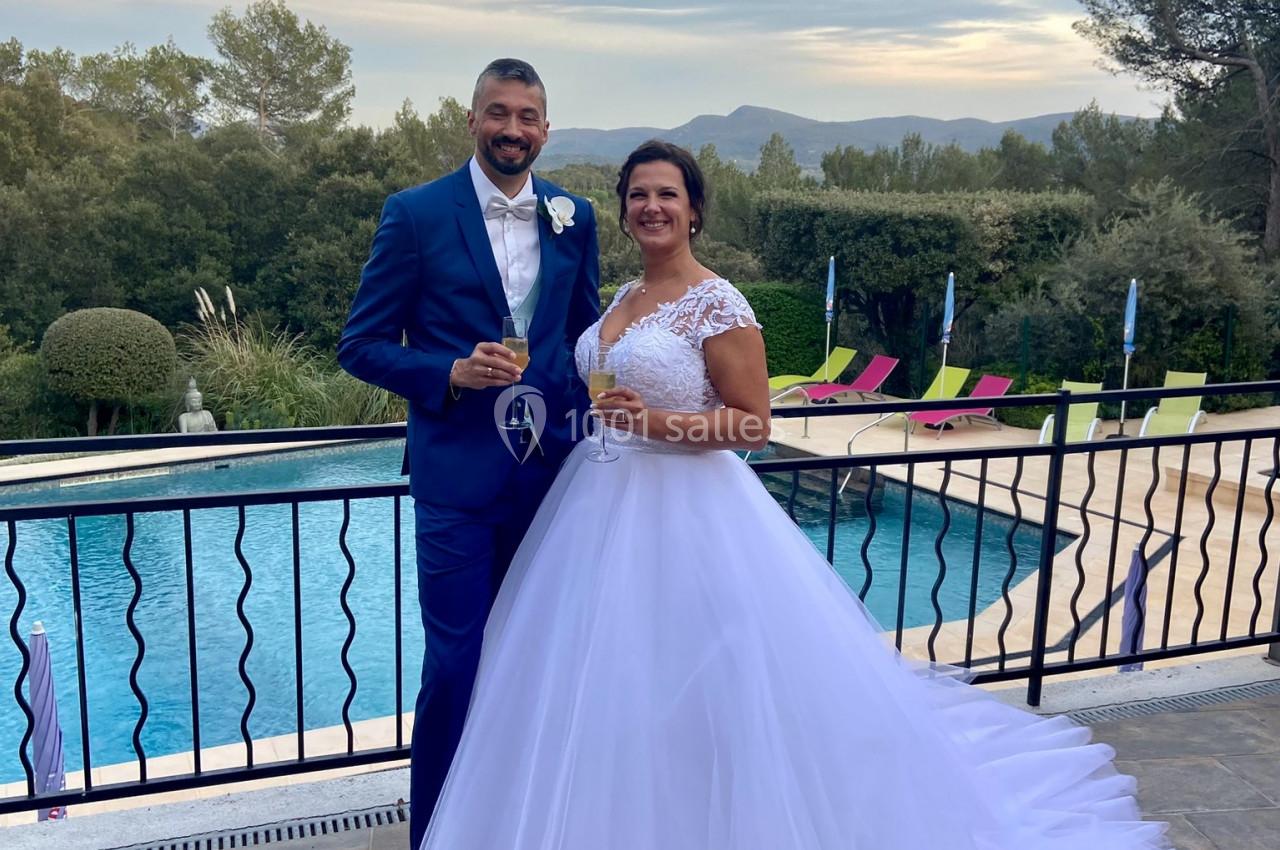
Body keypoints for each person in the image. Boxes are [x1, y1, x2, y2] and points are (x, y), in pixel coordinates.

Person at [419, 140, 1169, 849]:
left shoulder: (720, 304)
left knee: (702, 685)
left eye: (668, 195)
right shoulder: (622, 295)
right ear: (622, 211)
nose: (653, 207)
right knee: (612, 687)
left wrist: (656, 422)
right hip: (597, 501)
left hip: (688, 514)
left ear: (694, 210)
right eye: (639, 195)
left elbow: (751, 424)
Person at [336, 58, 600, 850]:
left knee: (542, 661)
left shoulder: (574, 216)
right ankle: (438, 836)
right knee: (456, 664)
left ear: (546, 128)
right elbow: (361, 345)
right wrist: (447, 370)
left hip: (552, 478)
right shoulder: (414, 214)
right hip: (455, 483)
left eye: (527, 116)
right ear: (473, 121)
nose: (512, 129)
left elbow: (583, 338)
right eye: (498, 113)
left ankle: (520, 824)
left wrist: (612, 421)